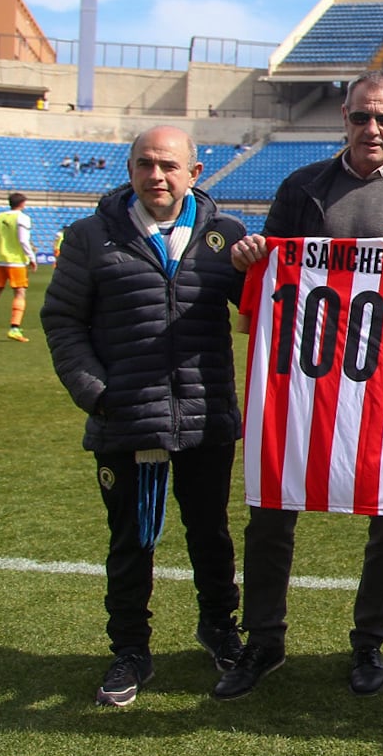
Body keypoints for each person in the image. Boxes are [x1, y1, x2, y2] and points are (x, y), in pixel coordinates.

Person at [215, 69, 383, 699]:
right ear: (345, 117)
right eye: (362, 116)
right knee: (272, 508)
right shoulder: (303, 187)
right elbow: (257, 287)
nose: (373, 129)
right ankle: (264, 640)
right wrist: (245, 262)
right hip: (299, 379)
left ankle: (368, 644)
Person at [40, 127, 248, 706]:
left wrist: (258, 268)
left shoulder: (223, 236)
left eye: (168, 165)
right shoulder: (90, 237)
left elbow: (266, 305)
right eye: (145, 164)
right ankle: (129, 650)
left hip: (204, 419)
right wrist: (97, 393)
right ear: (129, 169)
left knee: (211, 536)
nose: (157, 175)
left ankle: (220, 630)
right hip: (127, 421)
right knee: (131, 541)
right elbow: (61, 319)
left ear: (194, 172)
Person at [0, 192, 35, 342]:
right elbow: (23, 240)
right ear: (22, 203)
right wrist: (31, 257)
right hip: (16, 261)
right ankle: (14, 328)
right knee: (19, 293)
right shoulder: (22, 218)